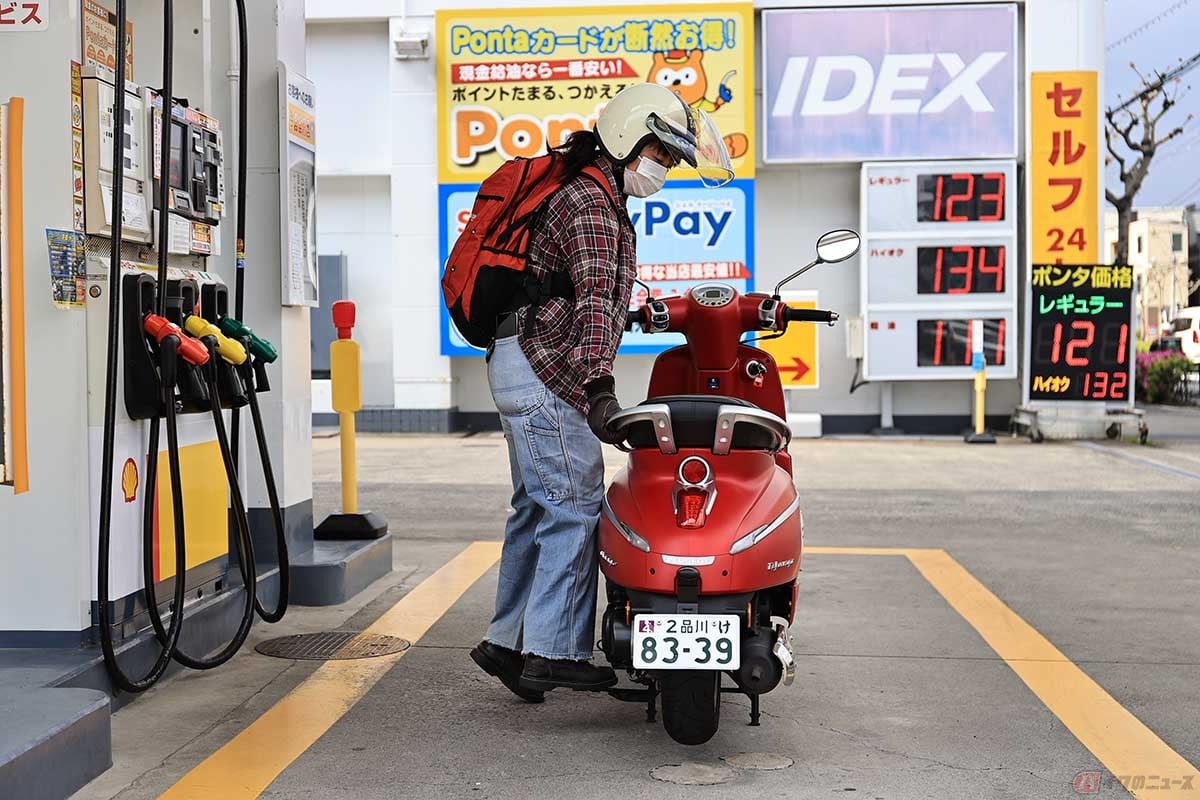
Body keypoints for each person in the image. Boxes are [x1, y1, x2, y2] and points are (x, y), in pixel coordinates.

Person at [469, 83, 732, 701]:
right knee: (574, 506)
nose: (662, 170)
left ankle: (508, 642)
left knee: (536, 507)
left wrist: (631, 319)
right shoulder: (590, 203)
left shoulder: (589, 194)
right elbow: (589, 302)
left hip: (519, 362)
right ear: (626, 139)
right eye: (661, 156)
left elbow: (584, 294)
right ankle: (554, 651)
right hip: (544, 370)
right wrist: (600, 387)